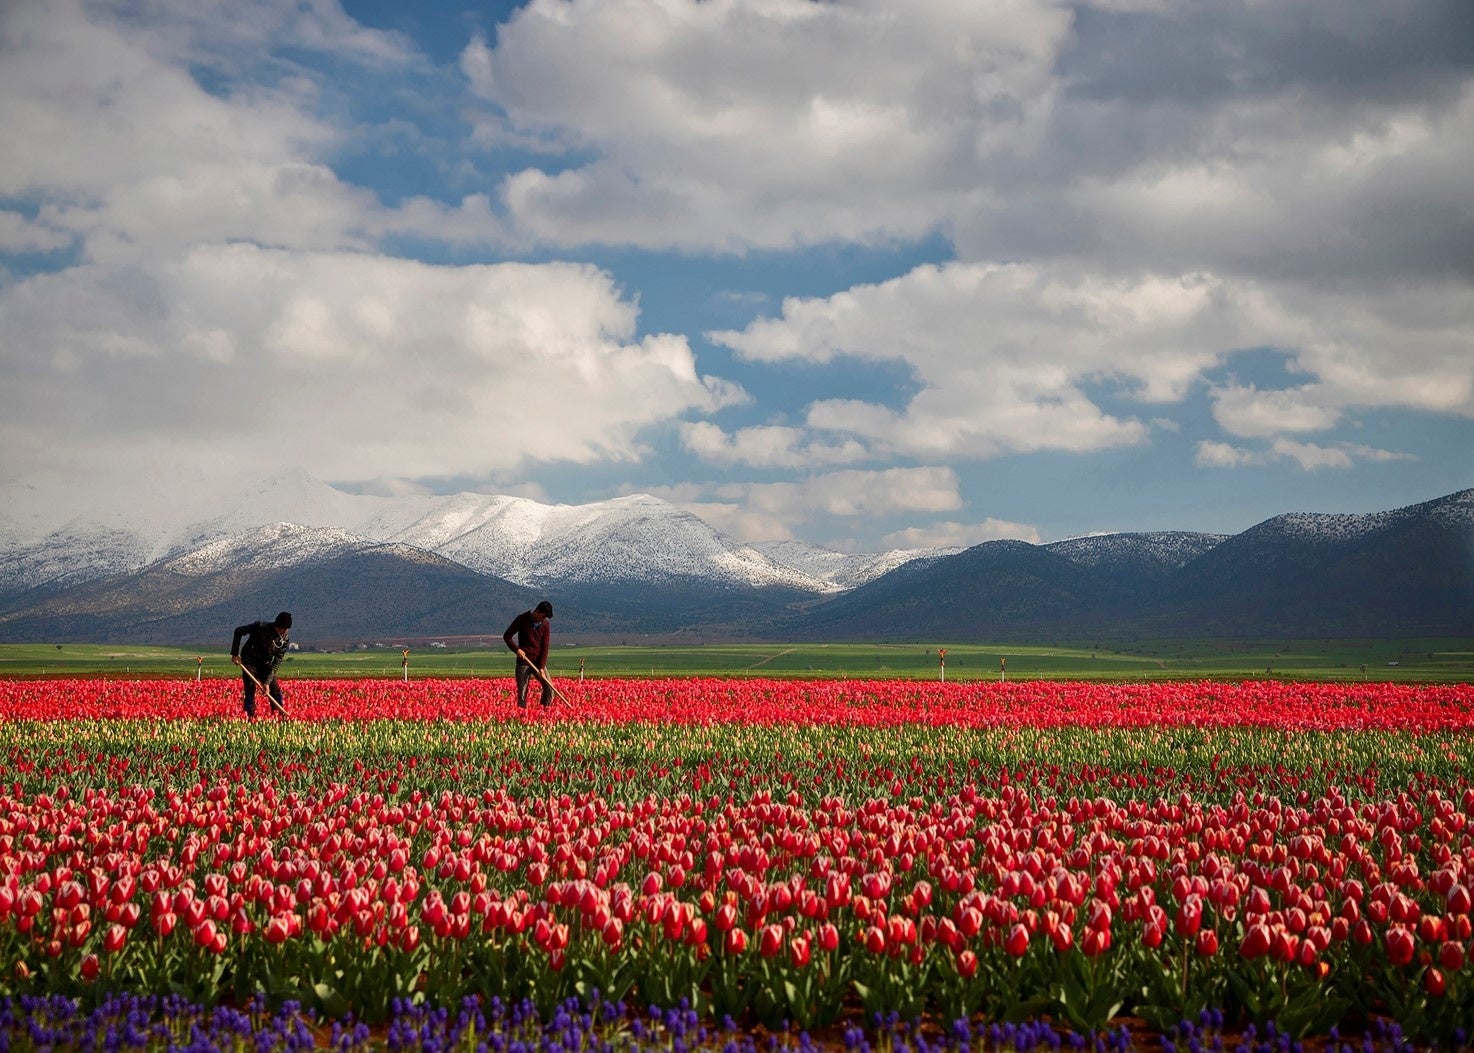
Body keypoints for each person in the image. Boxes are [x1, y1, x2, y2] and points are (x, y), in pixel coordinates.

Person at [230, 611, 292, 717]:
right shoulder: (260, 627)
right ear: (277, 626)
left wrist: (267, 682)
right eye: (283, 629)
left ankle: (278, 715)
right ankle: (249, 715)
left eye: (287, 629)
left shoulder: (284, 640)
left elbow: (277, 661)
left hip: (265, 663)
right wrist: (235, 654)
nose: (285, 632)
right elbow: (238, 631)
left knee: (274, 688)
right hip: (250, 659)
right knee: (250, 686)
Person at [503, 600, 554, 707]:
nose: (543, 619)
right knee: (522, 693)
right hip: (524, 662)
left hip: (538, 663)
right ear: (537, 611)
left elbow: (545, 648)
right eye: (542, 616)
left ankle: (544, 713)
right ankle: (522, 717)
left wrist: (541, 667)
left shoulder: (545, 625)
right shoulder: (522, 619)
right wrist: (517, 650)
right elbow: (507, 636)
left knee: (549, 689)